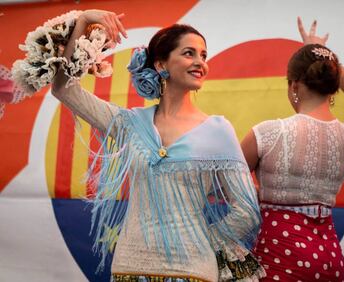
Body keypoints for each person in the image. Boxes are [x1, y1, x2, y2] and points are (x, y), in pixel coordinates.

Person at [50, 9, 264, 282]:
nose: (200, 62)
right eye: (189, 53)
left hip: (192, 272)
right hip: (129, 267)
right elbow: (63, 88)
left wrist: (199, 241)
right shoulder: (130, 123)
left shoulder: (218, 131)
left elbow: (246, 210)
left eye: (203, 55)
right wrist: (84, 20)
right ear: (161, 65)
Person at [241, 17, 344, 281]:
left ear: (293, 85)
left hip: (277, 256)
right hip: (328, 260)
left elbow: (224, 185)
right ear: (333, 85)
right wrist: (324, 57)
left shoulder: (269, 133)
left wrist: (256, 194)